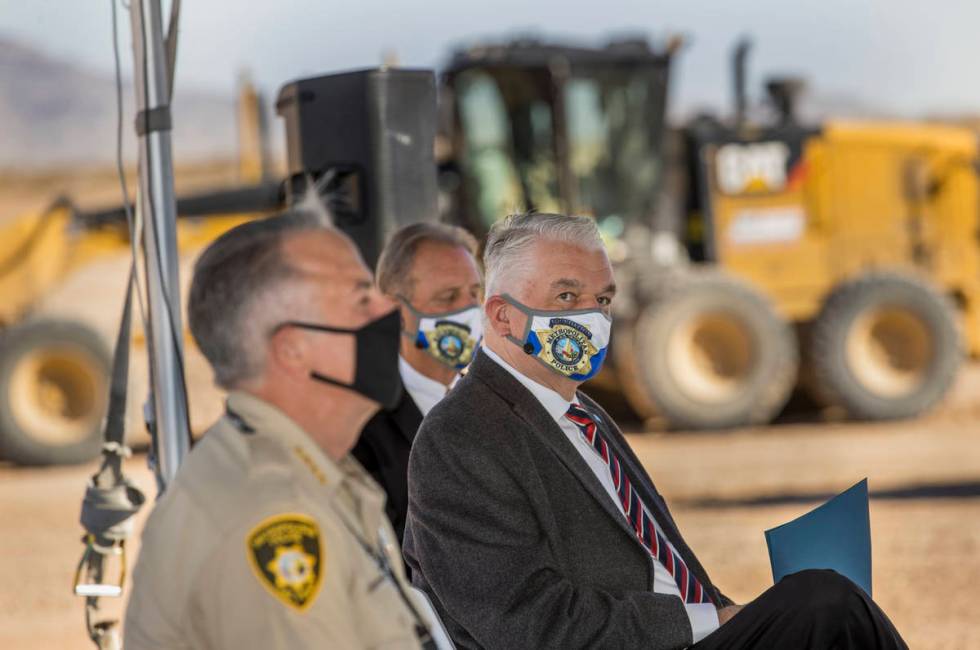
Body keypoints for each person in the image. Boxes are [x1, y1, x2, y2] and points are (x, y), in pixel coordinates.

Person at [403, 212, 908, 649]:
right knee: (823, 601)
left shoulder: (583, 414)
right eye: (566, 295)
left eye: (602, 299)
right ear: (503, 316)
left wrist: (734, 616)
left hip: (686, 637)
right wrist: (712, 621)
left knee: (822, 601)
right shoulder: (460, 438)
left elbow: (658, 563)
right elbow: (525, 623)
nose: (592, 317)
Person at [125, 213, 432, 649]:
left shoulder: (310, 469)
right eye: (362, 299)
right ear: (292, 350)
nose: (391, 310)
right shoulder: (272, 514)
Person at [352, 223, 482, 544]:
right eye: (448, 297)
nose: (468, 311)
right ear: (396, 312)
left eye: (475, 294)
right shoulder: (360, 427)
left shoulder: (493, 407)